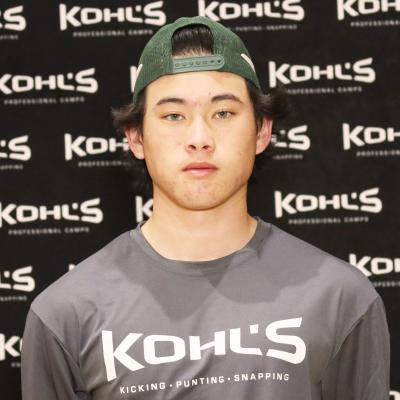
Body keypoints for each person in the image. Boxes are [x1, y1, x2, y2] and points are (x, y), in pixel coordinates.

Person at [21, 16, 390, 400]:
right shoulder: (64, 316)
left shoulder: (341, 299)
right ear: (136, 137)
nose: (199, 138)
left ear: (262, 131)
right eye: (173, 116)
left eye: (223, 113)